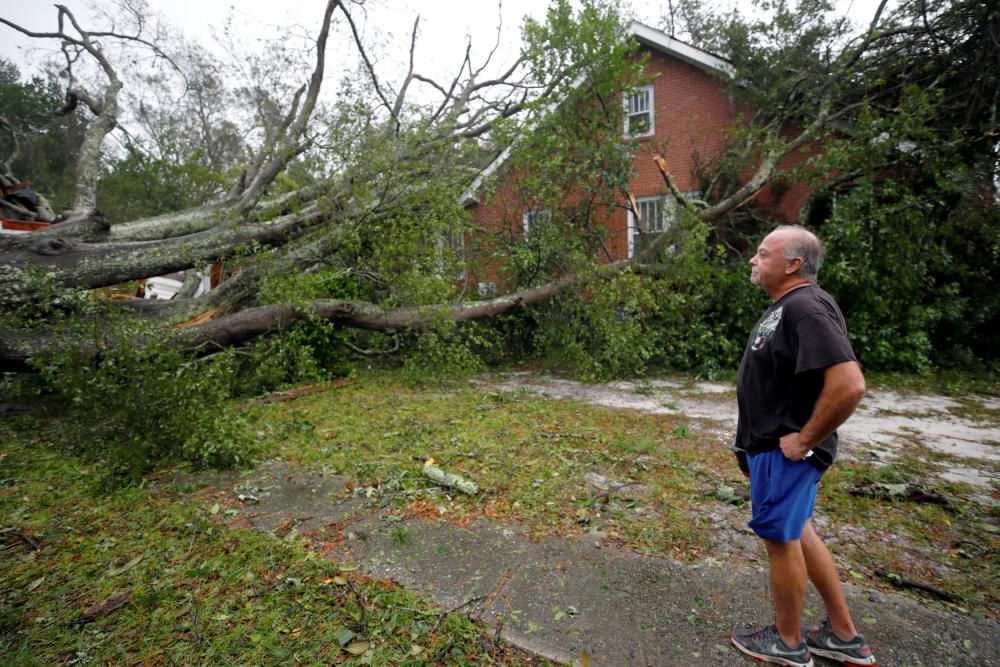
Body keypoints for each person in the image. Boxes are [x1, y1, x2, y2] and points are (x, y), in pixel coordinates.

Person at [729, 225, 877, 667]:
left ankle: (789, 644)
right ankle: (843, 636)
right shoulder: (790, 306)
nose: (753, 261)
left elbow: (849, 385)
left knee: (781, 539)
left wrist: (804, 440)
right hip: (771, 451)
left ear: (793, 264)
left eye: (762, 253)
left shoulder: (806, 307)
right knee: (801, 532)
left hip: (786, 451)